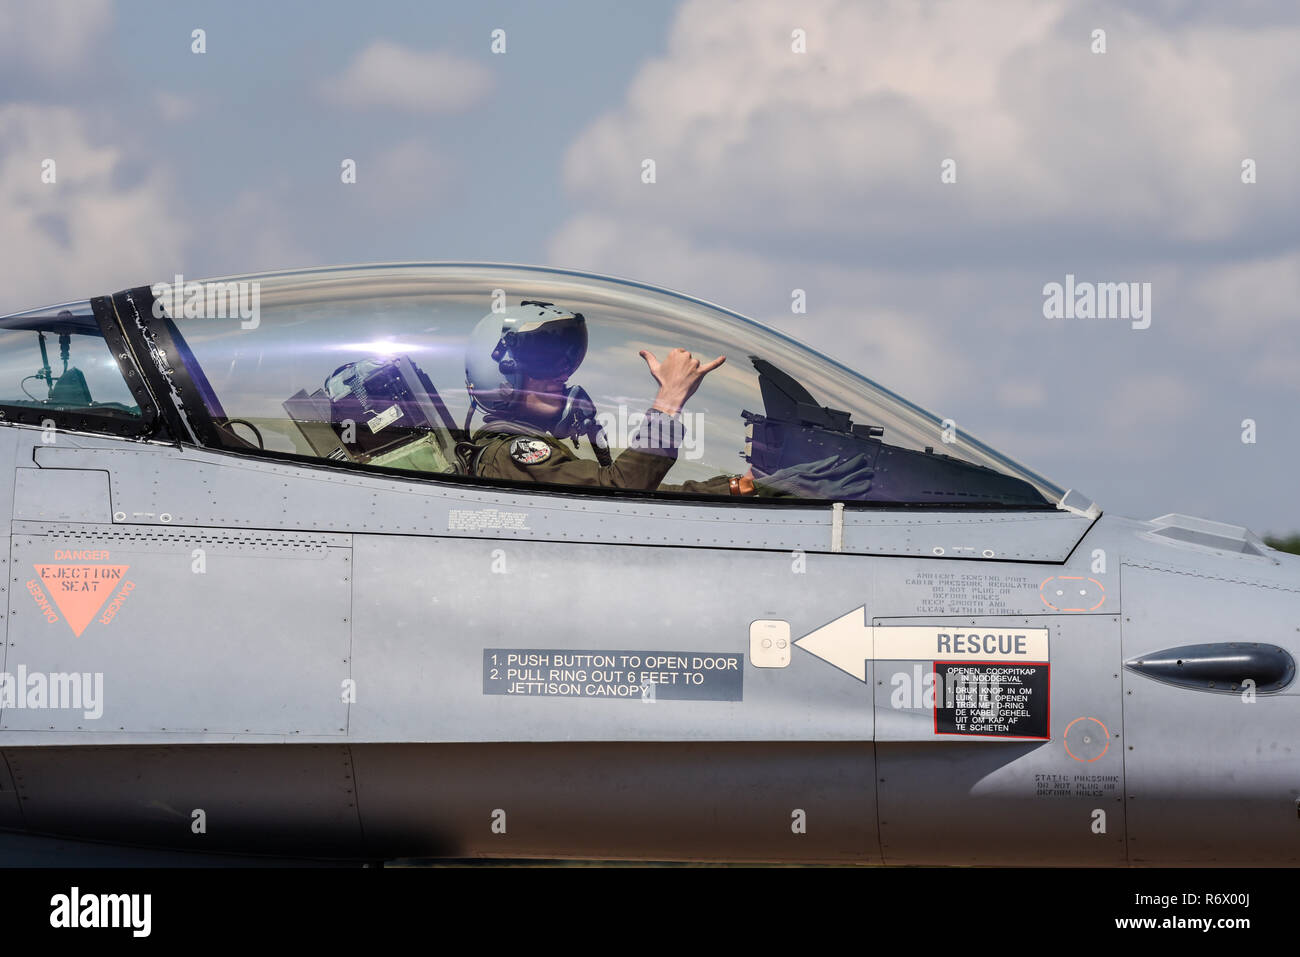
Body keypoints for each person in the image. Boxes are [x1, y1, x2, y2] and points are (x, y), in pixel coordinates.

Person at [463, 302, 756, 495]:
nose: (560, 376)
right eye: (544, 362)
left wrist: (735, 488)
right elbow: (620, 491)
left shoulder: (517, 455)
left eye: (565, 362)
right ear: (501, 376)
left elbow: (647, 494)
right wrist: (668, 401)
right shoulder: (515, 453)